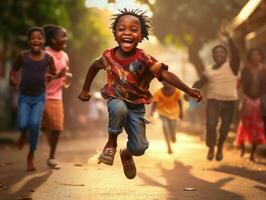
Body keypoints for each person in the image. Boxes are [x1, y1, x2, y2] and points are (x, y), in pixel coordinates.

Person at [78, 9, 202, 179]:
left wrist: (188, 89)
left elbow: (165, 74)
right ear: (115, 34)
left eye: (134, 29)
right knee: (118, 108)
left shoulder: (145, 59)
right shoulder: (108, 56)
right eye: (122, 29)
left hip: (136, 107)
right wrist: (85, 89)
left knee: (140, 147)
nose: (127, 32)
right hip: (115, 98)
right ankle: (111, 143)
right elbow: (94, 67)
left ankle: (126, 154)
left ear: (142, 35)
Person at [9, 26, 56, 171]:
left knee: (35, 124)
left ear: (43, 41)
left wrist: (50, 76)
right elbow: (14, 70)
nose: (36, 40)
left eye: (39, 38)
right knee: (23, 124)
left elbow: (53, 72)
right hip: (24, 96)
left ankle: (31, 154)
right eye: (33, 38)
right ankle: (23, 134)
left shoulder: (48, 58)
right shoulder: (22, 56)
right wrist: (12, 78)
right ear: (29, 41)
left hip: (39, 98)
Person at [193, 31, 240, 161]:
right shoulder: (209, 70)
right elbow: (200, 83)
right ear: (213, 55)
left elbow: (236, 56)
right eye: (216, 53)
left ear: (226, 55)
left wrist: (229, 38)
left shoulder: (232, 66)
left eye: (222, 52)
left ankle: (219, 147)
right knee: (212, 124)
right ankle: (211, 148)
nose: (219, 54)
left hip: (229, 102)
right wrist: (189, 92)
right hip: (213, 101)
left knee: (225, 127)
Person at [41, 24, 72, 169]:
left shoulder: (65, 56)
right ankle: (47, 137)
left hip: (57, 96)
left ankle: (52, 157)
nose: (66, 39)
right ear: (53, 40)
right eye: (63, 36)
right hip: (42, 95)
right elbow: (40, 76)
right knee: (45, 126)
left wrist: (67, 78)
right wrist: (56, 76)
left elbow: (65, 78)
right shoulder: (45, 54)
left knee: (58, 127)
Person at [235, 48, 266, 161]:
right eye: (253, 55)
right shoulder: (245, 70)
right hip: (246, 99)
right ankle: (242, 146)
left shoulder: (264, 70)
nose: (255, 57)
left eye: (257, 54)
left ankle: (252, 153)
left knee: (257, 126)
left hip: (259, 101)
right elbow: (239, 84)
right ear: (250, 57)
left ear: (260, 56)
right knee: (244, 124)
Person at [150, 81, 183, 154]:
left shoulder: (177, 91)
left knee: (173, 128)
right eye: (165, 83)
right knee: (165, 127)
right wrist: (152, 112)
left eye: (168, 83)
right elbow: (155, 103)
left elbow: (180, 102)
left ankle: (173, 135)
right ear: (162, 84)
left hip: (174, 113)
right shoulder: (158, 92)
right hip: (163, 113)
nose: (167, 84)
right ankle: (169, 147)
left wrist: (181, 113)